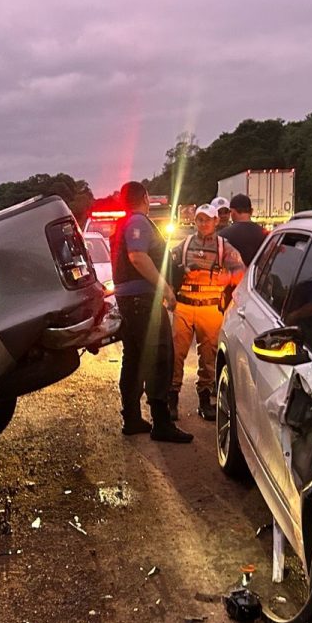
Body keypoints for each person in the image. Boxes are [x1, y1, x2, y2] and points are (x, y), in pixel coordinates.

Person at [111, 181, 193, 443]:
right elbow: (137, 256)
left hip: (129, 301)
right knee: (160, 357)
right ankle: (161, 423)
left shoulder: (123, 223)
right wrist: (166, 289)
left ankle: (132, 418)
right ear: (145, 198)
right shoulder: (137, 222)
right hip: (142, 302)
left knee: (134, 358)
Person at [167, 204, 245, 421]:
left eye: (207, 220)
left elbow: (242, 271)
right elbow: (168, 266)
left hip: (211, 308)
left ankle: (205, 401)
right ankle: (172, 400)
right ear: (195, 221)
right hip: (184, 306)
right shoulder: (184, 245)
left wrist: (228, 278)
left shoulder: (224, 248)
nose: (203, 223)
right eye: (200, 220)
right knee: (175, 355)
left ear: (215, 221)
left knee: (208, 357)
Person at [221, 193, 267, 265]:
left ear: (232, 212)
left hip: (234, 275)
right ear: (251, 211)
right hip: (255, 275)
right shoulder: (265, 234)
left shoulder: (223, 234)